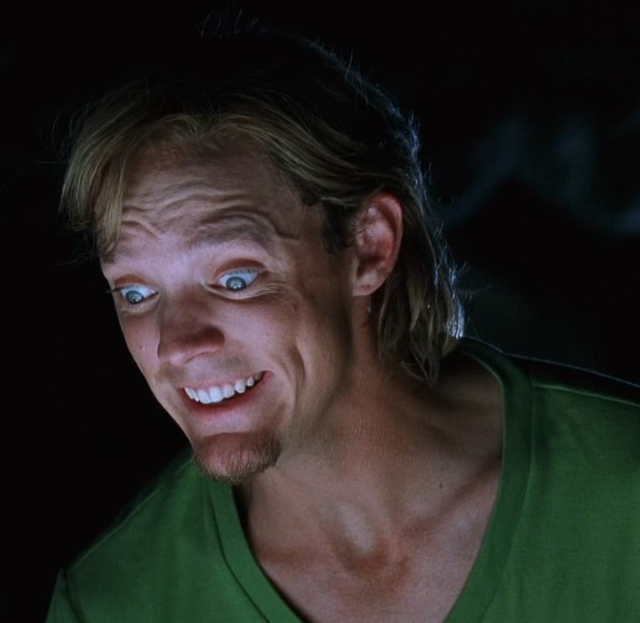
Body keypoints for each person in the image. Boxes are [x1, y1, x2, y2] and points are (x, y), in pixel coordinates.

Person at [46, 28, 639, 623]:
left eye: (236, 278)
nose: (176, 345)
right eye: (136, 293)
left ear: (370, 246)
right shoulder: (109, 605)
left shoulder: (623, 498)